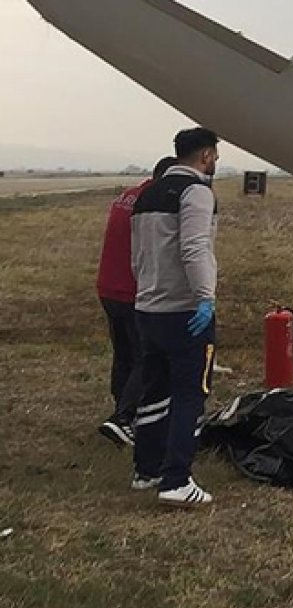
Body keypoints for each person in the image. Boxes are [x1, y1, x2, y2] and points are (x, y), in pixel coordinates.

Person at [130, 127, 220, 507]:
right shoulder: (196, 191)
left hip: (148, 307)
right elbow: (196, 246)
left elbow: (138, 255)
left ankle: (146, 470)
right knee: (189, 395)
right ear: (205, 156)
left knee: (154, 391)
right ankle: (177, 480)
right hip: (184, 311)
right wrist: (206, 298)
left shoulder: (146, 194)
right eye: (215, 154)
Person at [97, 157, 179, 447]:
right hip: (134, 290)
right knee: (148, 355)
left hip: (108, 287)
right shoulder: (154, 201)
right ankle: (123, 417)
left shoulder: (127, 196)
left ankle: (122, 413)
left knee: (124, 354)